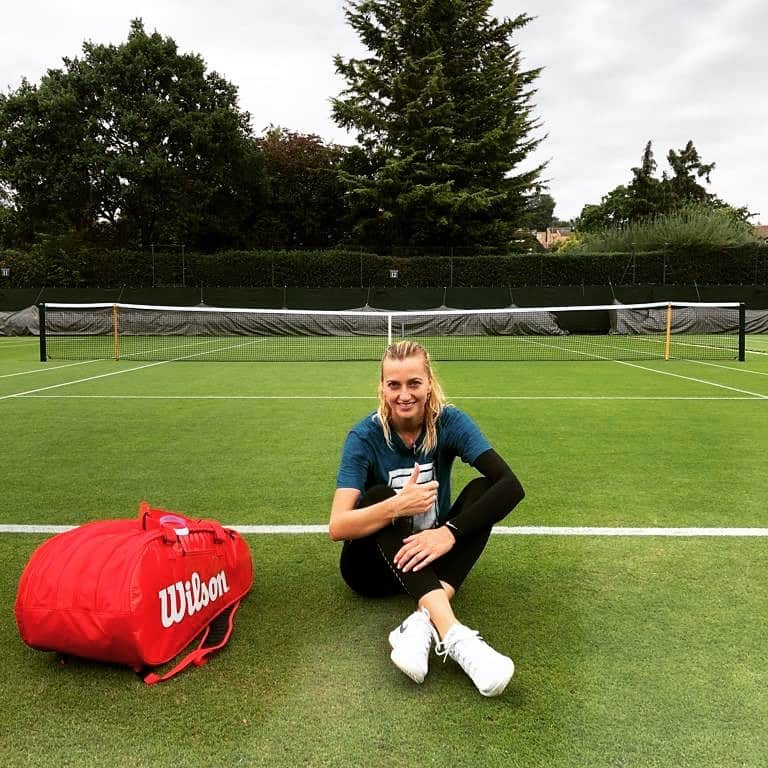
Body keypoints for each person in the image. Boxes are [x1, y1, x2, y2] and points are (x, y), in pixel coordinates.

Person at [329, 340, 525, 696]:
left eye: (414, 383)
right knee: (378, 496)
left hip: (430, 558)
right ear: (383, 387)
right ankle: (452, 633)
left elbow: (511, 486)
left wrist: (450, 532)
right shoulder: (364, 436)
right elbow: (338, 526)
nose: (404, 394)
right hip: (371, 571)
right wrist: (396, 507)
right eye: (394, 385)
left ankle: (422, 622)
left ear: (429, 383)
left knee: (484, 491)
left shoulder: (449, 422)